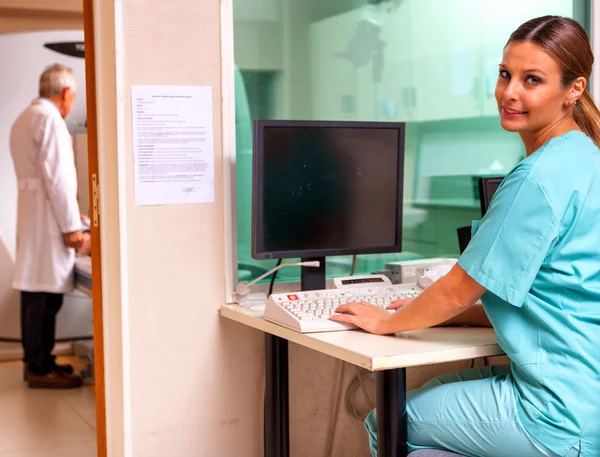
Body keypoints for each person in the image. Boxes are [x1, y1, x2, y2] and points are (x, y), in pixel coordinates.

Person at [331, 16, 600, 457]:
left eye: (532, 80)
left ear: (574, 89)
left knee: (388, 418)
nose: (510, 92)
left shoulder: (538, 178)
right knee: (424, 405)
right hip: (584, 396)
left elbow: (459, 288)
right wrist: (448, 316)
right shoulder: (587, 158)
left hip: (556, 415)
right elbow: (552, 295)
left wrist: (386, 322)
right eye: (505, 74)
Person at [10, 64, 84, 389]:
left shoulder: (25, 117)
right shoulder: (51, 119)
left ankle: (37, 361)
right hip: (48, 216)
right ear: (66, 93)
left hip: (33, 213)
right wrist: (72, 227)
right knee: (44, 296)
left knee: (34, 290)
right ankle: (40, 368)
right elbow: (60, 179)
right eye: (74, 97)